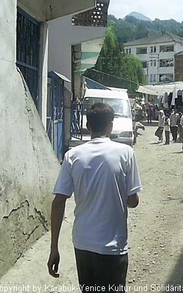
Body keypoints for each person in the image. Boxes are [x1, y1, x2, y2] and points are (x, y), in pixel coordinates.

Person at [47, 103, 142, 292]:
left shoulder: (72, 156)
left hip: (83, 244)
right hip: (113, 246)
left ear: (88, 126)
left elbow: (58, 202)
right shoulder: (126, 153)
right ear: (111, 124)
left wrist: (54, 248)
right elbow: (133, 201)